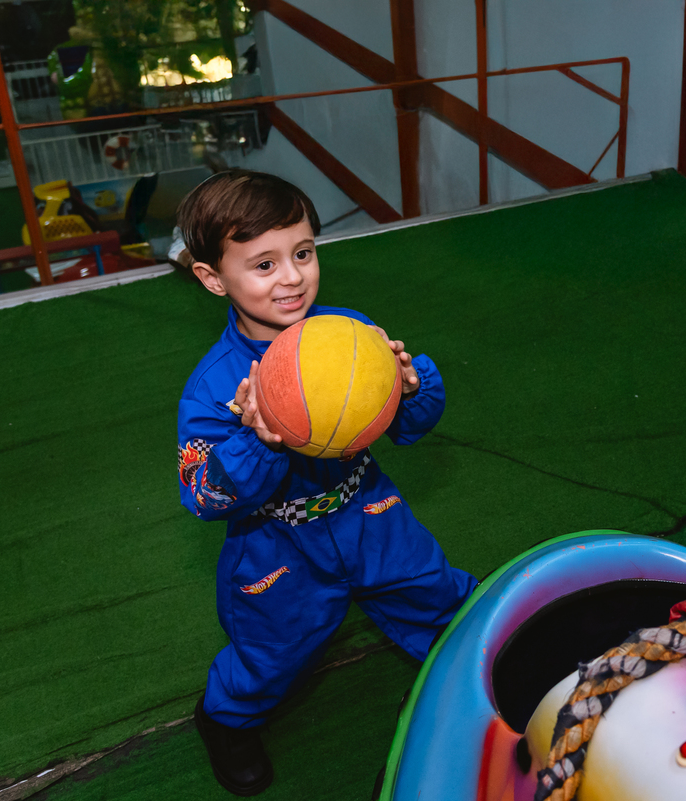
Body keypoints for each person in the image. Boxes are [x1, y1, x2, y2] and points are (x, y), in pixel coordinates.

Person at [175, 170, 476, 796]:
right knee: (273, 653)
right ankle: (224, 718)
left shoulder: (348, 334)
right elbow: (202, 495)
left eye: (303, 253)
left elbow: (408, 427)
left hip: (370, 510)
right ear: (212, 278)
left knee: (436, 596)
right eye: (263, 264)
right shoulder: (214, 389)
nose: (291, 277)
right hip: (276, 545)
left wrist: (411, 387)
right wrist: (255, 440)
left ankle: (480, 668)